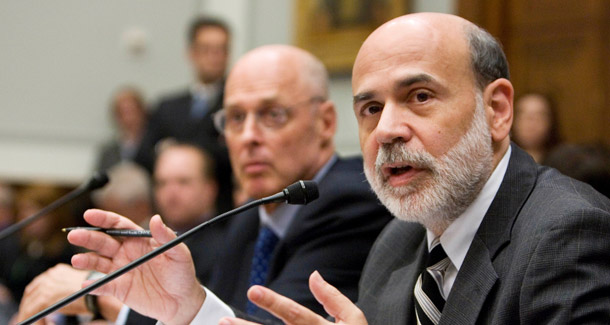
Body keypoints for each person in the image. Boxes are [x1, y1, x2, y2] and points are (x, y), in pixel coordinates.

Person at [214, 13, 610, 325]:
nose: (386, 130)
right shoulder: (396, 243)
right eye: (371, 109)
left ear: (497, 110)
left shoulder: (567, 234)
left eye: (420, 97)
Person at [57, 45, 392, 325]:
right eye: (235, 118)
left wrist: (110, 301)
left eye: (273, 114)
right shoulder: (251, 217)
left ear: (325, 122)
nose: (248, 137)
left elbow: (263, 322)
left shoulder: (351, 198)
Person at [135, 16, 234, 214]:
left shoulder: (236, 103)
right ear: (191, 53)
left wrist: (172, 147)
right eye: (206, 49)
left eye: (221, 49)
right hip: (167, 214)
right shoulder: (168, 106)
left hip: (220, 214)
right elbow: (143, 155)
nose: (214, 57)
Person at [95, 87, 148, 172]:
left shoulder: (154, 148)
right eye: (122, 113)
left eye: (131, 112)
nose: (128, 118)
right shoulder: (108, 151)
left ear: (142, 112)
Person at [511, 92, 561, 163]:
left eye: (539, 116)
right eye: (524, 116)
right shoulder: (497, 162)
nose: (531, 122)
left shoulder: (564, 163)